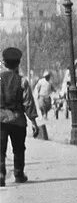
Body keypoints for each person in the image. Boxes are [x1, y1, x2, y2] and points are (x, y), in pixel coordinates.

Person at [1, 47, 38, 186]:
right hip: (18, 120)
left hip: (0, 120)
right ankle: (19, 174)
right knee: (19, 148)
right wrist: (34, 122)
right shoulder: (23, 81)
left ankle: (0, 174)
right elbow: (28, 103)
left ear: (4, 63)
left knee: (0, 149)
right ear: (18, 63)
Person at [32, 73, 53, 140]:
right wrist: (37, 94)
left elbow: (52, 88)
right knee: (42, 106)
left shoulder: (49, 82)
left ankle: (45, 115)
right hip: (41, 96)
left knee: (48, 106)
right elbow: (37, 88)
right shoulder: (41, 81)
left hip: (47, 96)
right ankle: (43, 115)